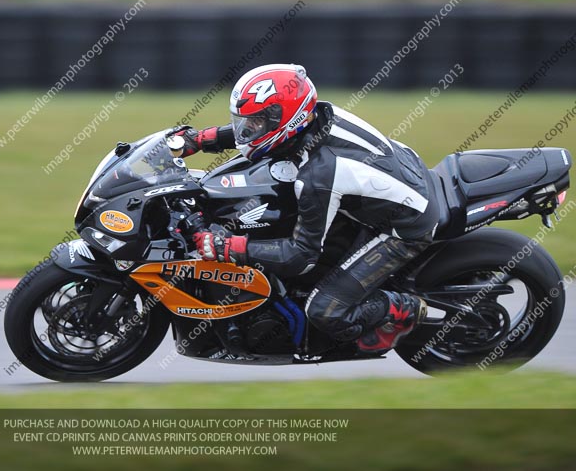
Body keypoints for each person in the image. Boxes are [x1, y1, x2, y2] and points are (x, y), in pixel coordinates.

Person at [174, 63, 438, 353]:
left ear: (286, 119)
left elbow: (301, 256)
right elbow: (260, 132)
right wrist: (202, 139)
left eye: (256, 121)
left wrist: (229, 247)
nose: (247, 129)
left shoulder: (317, 176)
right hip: (399, 174)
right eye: (244, 121)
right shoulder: (317, 114)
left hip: (403, 229)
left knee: (325, 311)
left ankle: (402, 307)